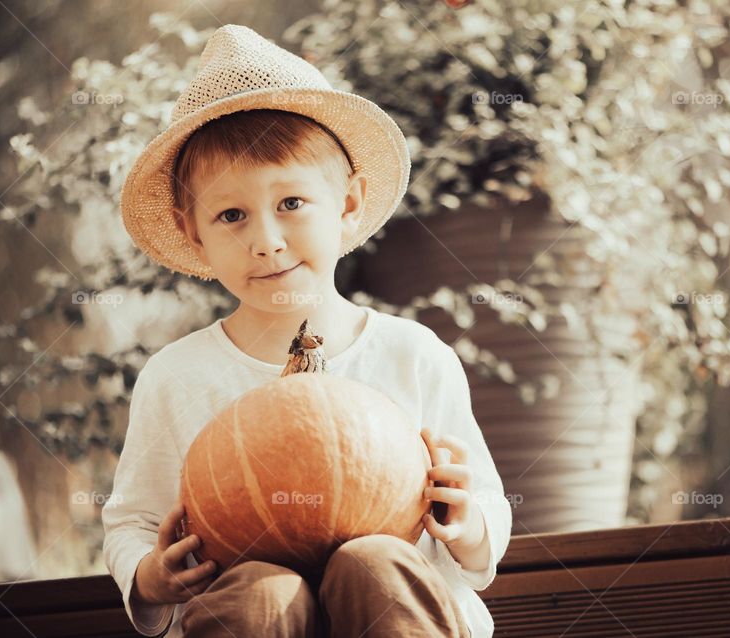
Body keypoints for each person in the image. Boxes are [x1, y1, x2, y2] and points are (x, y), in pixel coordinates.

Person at [102, 24, 512, 638]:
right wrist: (150, 575)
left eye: (291, 203)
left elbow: (486, 511)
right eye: (231, 214)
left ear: (348, 206)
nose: (265, 240)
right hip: (250, 610)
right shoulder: (178, 378)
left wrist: (468, 523)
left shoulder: (412, 356)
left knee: (373, 562)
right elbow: (132, 520)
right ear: (195, 235)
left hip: (398, 609)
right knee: (258, 592)